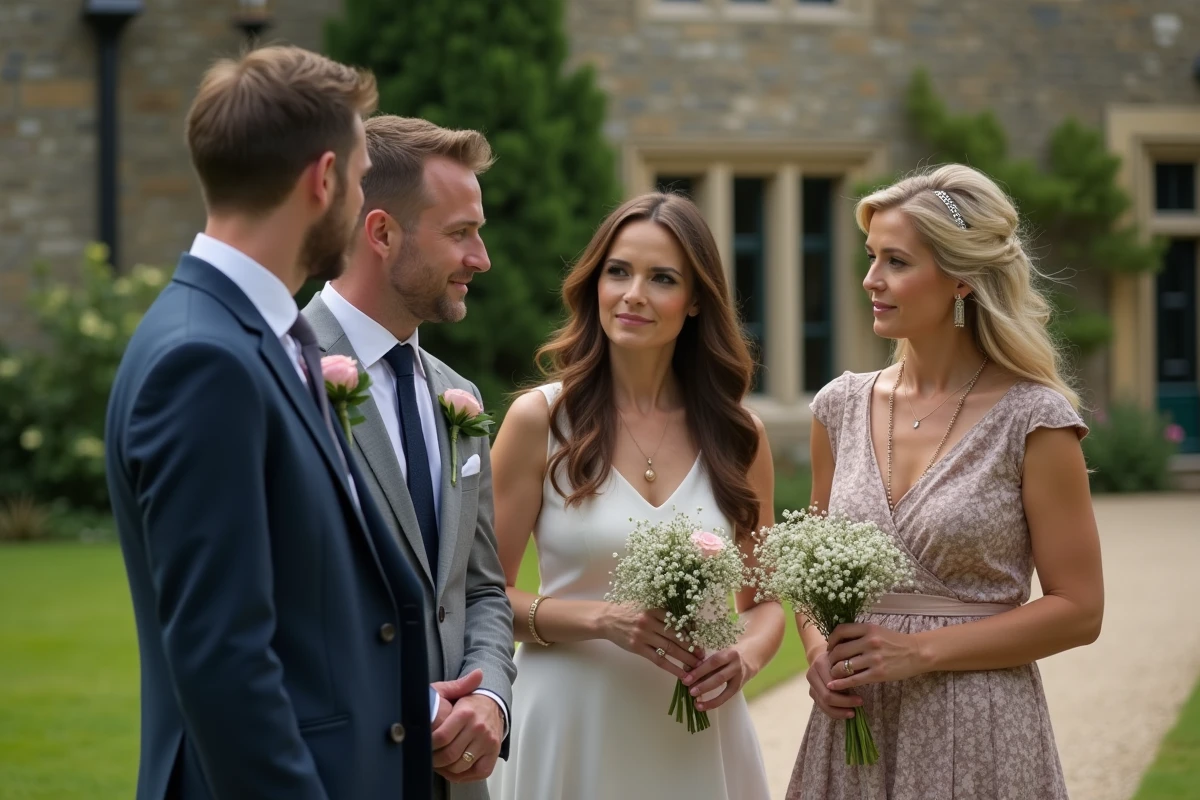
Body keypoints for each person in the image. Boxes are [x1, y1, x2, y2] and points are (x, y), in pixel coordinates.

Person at [105, 47, 455, 800]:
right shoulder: (204, 361)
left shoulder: (260, 337)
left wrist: (412, 704)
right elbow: (222, 658)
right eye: (361, 180)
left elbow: (307, 608)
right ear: (322, 179)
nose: (363, 204)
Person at [789, 163, 1104, 799]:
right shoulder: (839, 408)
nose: (870, 279)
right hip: (854, 729)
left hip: (980, 725)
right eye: (872, 256)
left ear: (961, 278)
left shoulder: (1033, 418)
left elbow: (1080, 610)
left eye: (896, 262)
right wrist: (819, 650)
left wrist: (922, 652)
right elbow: (806, 571)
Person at [486, 192, 781, 800]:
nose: (633, 294)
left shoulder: (739, 436)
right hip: (568, 728)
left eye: (662, 278)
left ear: (696, 300)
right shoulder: (538, 421)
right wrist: (600, 619)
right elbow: (482, 594)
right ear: (595, 283)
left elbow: (767, 599)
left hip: (698, 738)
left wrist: (745, 656)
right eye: (618, 271)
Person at [301, 115, 516, 800]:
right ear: (382, 233)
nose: (480, 259)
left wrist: (490, 704)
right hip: (337, 771)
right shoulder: (281, 374)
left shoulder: (459, 395)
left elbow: (481, 589)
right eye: (460, 233)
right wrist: (420, 709)